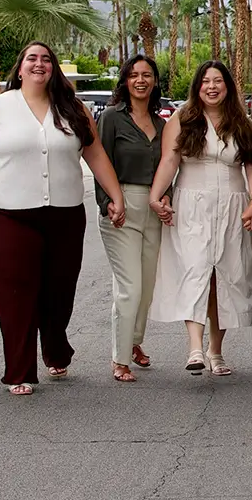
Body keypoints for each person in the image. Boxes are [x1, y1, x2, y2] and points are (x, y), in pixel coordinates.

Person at [0, 42, 126, 396]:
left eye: (46, 59)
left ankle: (54, 343)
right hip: (7, 214)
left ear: (54, 69)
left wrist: (116, 195)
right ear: (19, 68)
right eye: (31, 59)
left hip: (65, 214)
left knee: (59, 290)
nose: (39, 64)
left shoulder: (74, 109)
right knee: (16, 290)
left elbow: (95, 155)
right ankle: (18, 370)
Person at [149, 60, 252, 376]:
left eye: (218, 81)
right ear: (197, 87)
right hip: (192, 204)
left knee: (223, 278)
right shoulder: (183, 118)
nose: (212, 87)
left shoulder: (243, 123)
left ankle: (216, 351)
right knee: (195, 270)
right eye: (206, 82)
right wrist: (156, 196)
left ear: (228, 86)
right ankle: (194, 348)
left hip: (233, 204)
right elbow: (170, 159)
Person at [97, 55, 166, 383]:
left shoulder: (163, 122)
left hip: (152, 207)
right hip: (120, 205)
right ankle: (120, 358)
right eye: (134, 75)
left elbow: (169, 167)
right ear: (125, 81)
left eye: (147, 75)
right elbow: (100, 162)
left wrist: (168, 196)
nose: (141, 80)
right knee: (130, 287)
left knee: (148, 286)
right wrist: (108, 202)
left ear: (155, 81)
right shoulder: (112, 118)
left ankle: (134, 341)